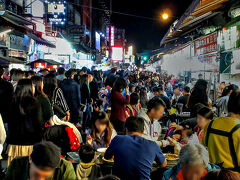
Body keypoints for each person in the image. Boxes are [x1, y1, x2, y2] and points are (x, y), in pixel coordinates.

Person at [6, 79, 43, 167]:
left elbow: (8, 122)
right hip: (30, 143)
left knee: (14, 170)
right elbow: (38, 124)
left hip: (14, 142)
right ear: (29, 88)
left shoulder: (12, 102)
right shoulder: (35, 103)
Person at [202, 90, 240, 171]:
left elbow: (204, 146)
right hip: (232, 176)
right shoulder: (238, 129)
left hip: (212, 174)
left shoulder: (211, 124)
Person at [5, 141, 76, 180]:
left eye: (46, 177)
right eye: (36, 175)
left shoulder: (65, 168)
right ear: (30, 159)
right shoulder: (17, 164)